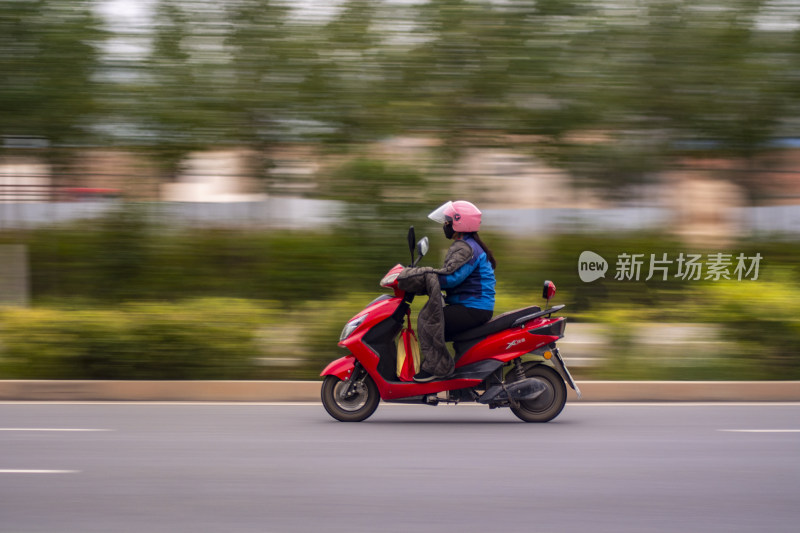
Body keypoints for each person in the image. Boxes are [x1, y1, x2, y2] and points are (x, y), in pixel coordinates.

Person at [412, 200, 497, 382]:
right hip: (474, 307)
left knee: (429, 322)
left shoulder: (466, 248)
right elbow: (452, 275)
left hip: (473, 308)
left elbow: (451, 278)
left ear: (459, 222)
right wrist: (430, 278)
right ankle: (456, 369)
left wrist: (425, 277)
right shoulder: (469, 245)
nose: (445, 225)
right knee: (435, 319)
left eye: (447, 221)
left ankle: (437, 368)